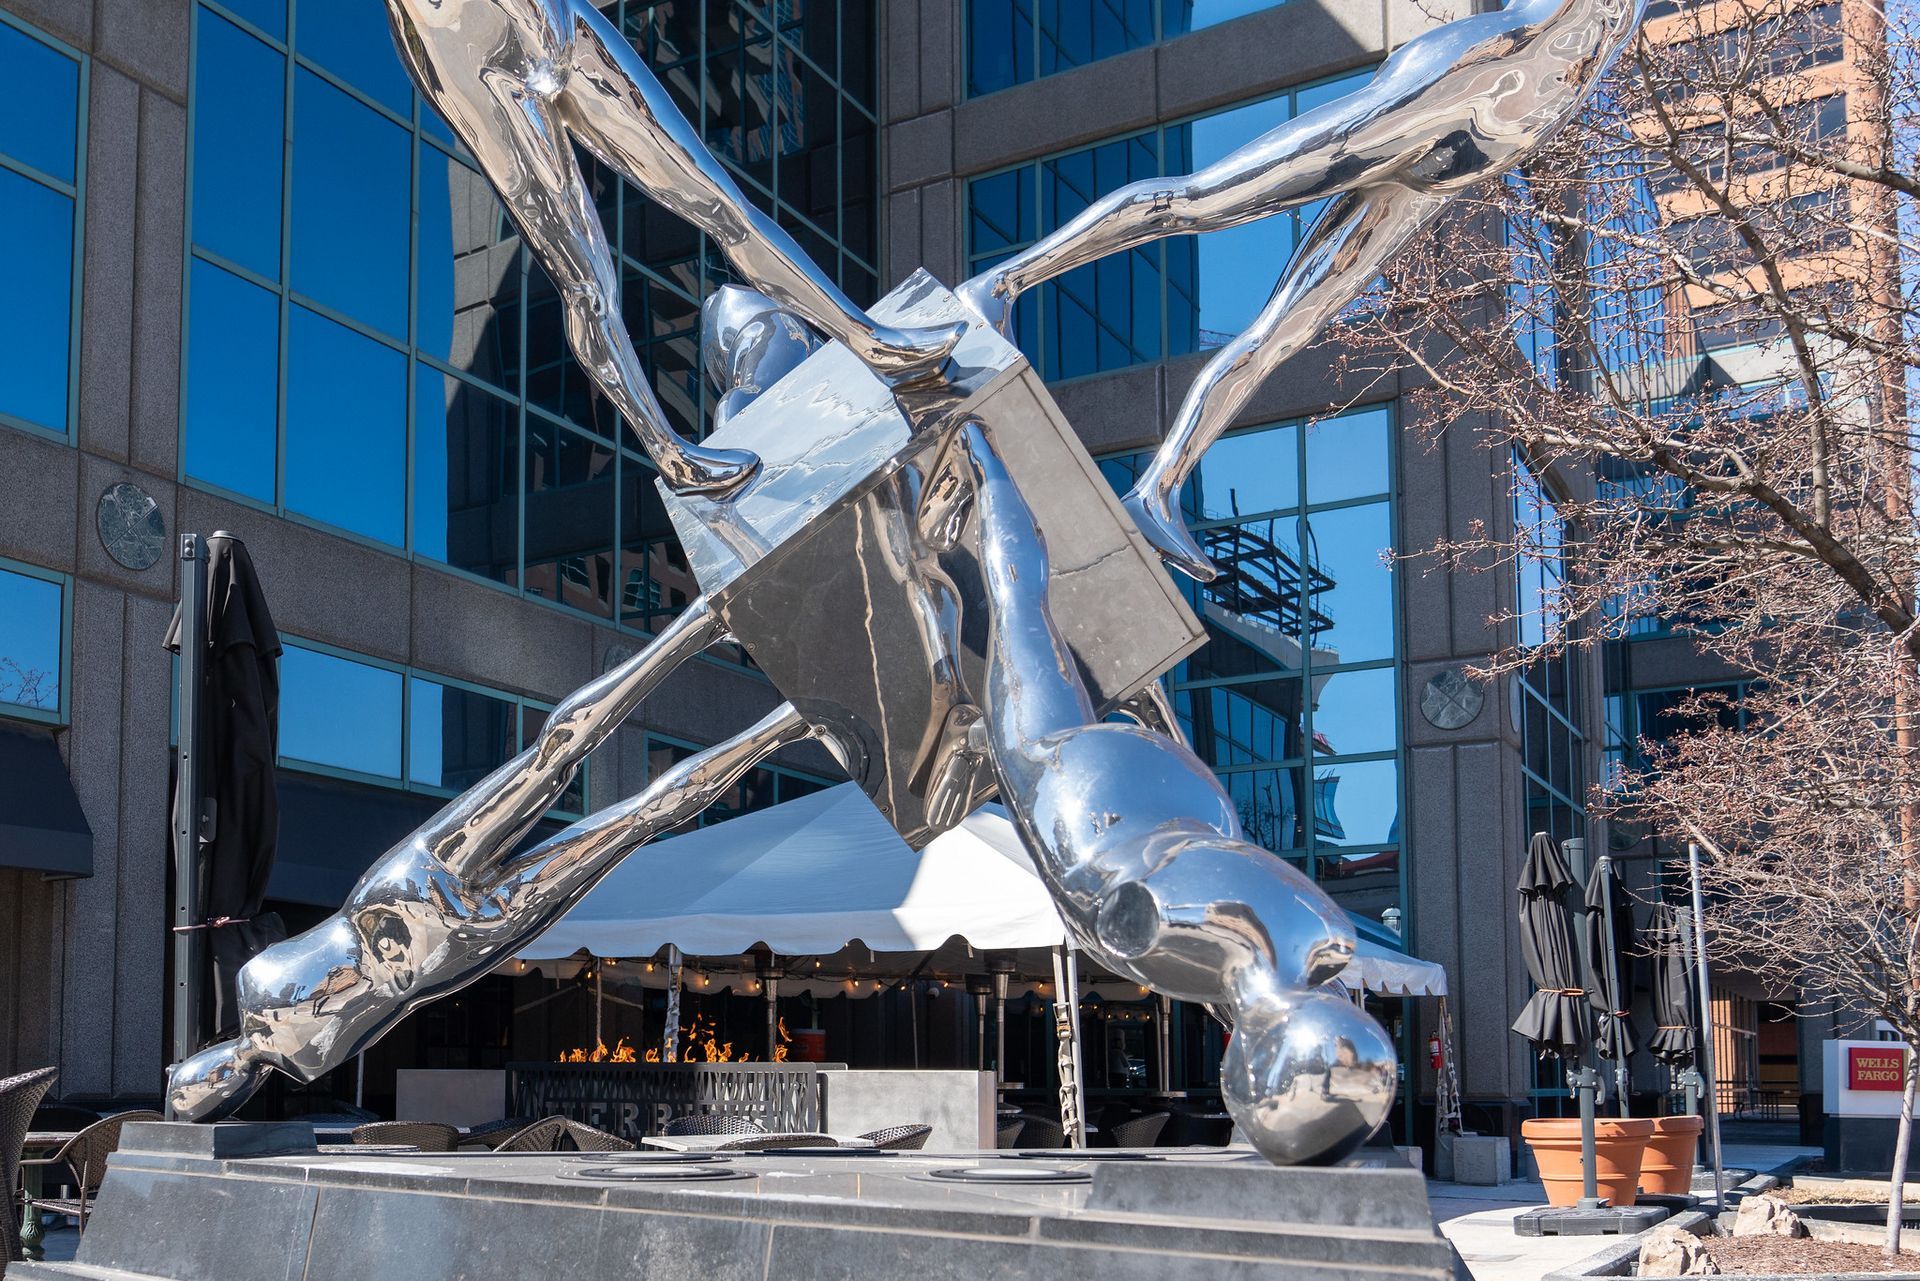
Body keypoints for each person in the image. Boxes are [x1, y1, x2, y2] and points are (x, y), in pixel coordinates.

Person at [957, 0, 1646, 580]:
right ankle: (999, 284)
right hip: (1462, 81)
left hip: (1461, 163)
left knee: (1279, 337)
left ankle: (1158, 489)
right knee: (1203, 201)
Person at [166, 602, 824, 1122]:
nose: (218, 1078)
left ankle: (702, 626)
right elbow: (396, 1005)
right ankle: (784, 720)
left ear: (198, 1062)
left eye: (201, 1079)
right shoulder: (301, 1055)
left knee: (554, 756)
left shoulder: (256, 980)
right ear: (230, 1099)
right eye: (215, 1094)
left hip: (405, 890)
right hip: (447, 936)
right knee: (628, 819)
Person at [951, 420, 1395, 1165]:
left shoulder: (1330, 933)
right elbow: (1134, 902)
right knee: (1018, 605)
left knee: (1033, 616)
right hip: (1073, 780)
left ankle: (986, 480)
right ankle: (981, 449)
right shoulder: (1165, 927)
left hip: (1192, 793)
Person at [384, 0, 967, 497]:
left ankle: (869, 340)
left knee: (720, 200)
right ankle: (669, 453)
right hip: (466, 53)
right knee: (588, 281)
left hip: (556, 20)